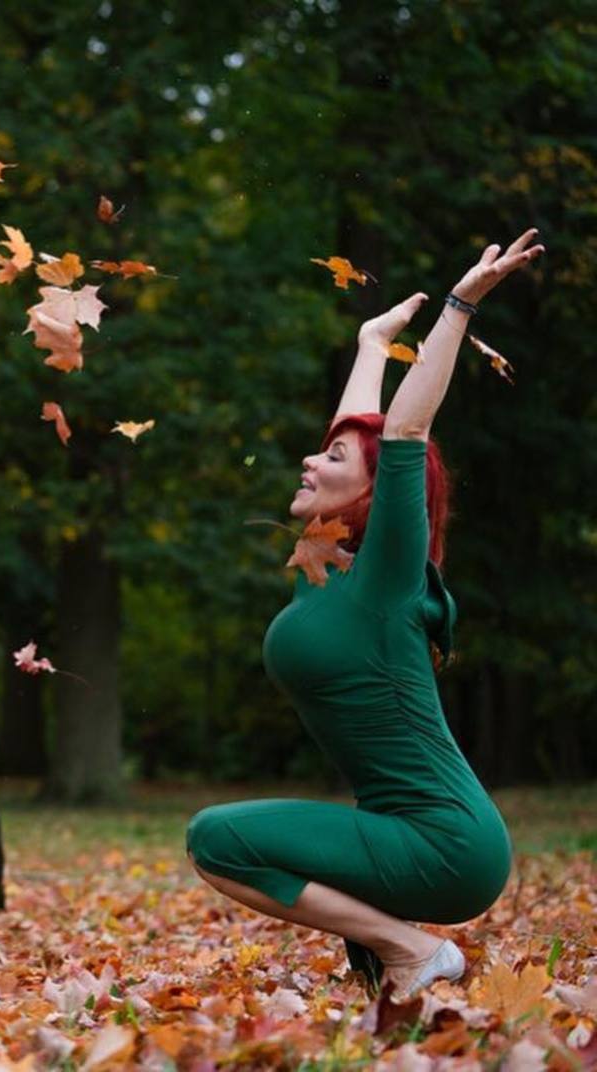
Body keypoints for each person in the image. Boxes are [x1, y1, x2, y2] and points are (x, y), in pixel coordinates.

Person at [186, 228, 545, 999]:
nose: (312, 459)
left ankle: (412, 949)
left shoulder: (386, 579)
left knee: (217, 838)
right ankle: (399, 956)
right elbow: (364, 433)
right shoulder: (323, 568)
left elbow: (404, 434)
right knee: (231, 846)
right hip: (404, 835)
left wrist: (458, 306)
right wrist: (371, 344)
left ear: (371, 501)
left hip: (447, 841)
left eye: (333, 463)